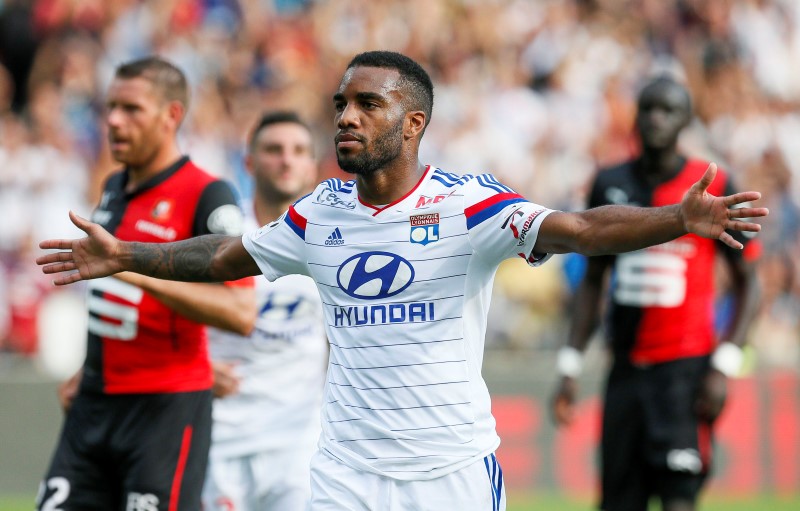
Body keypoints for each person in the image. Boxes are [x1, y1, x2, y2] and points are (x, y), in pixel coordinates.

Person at [37, 51, 768, 511]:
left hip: (447, 470)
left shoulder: (468, 203)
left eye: (367, 104)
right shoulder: (319, 212)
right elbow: (227, 257)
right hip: (345, 473)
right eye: (340, 105)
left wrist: (678, 218)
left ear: (413, 122)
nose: (346, 118)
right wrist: (127, 254)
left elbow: (584, 228)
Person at [36, 56, 255, 511]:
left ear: (171, 115)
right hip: (95, 404)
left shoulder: (208, 194)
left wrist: (129, 265)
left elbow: (239, 311)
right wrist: (90, 368)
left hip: (164, 410)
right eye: (110, 107)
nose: (114, 120)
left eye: (131, 109)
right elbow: (114, 300)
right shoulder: (114, 185)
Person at [550, 77, 762, 511]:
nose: (655, 119)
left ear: (686, 119)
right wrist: (570, 363)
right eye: (647, 108)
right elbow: (593, 280)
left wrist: (724, 364)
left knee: (679, 500)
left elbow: (749, 282)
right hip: (625, 371)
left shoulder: (712, 184)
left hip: (684, 375)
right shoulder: (609, 182)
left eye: (667, 110)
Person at [201, 111, 327, 511]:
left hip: (299, 444)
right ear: (249, 162)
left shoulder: (336, 241)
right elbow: (169, 311)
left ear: (313, 165)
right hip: (220, 438)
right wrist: (196, 362)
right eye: (274, 150)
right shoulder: (218, 234)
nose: (286, 160)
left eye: (299, 151)